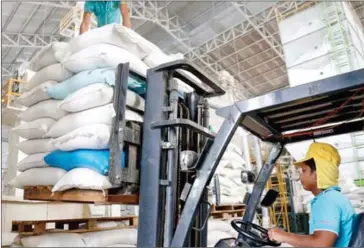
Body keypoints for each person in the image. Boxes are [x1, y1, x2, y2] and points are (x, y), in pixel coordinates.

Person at [268, 142, 356, 247]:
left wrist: (284, 236)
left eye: (304, 170)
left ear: (317, 174)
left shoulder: (326, 200)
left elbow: (321, 244)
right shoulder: (333, 197)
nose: (300, 176)